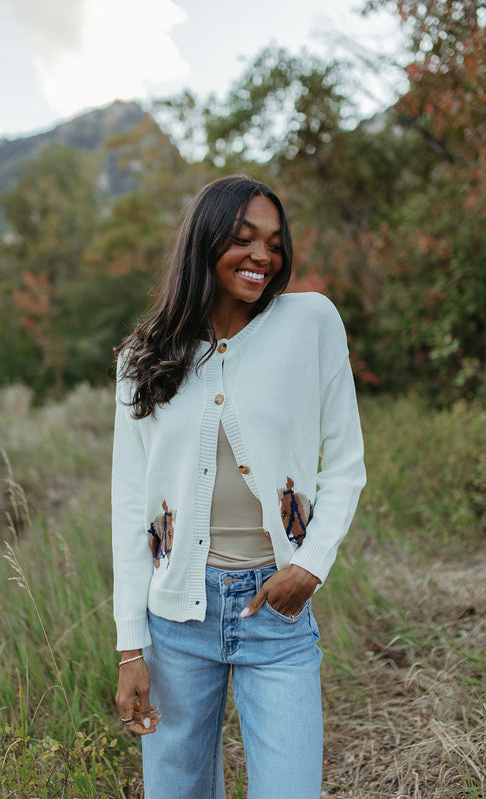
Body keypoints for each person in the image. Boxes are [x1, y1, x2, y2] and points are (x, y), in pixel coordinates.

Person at [112, 175, 366, 799]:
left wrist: (309, 563)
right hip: (176, 619)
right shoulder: (143, 359)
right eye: (244, 238)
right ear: (203, 241)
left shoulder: (309, 322)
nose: (263, 256)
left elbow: (347, 463)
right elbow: (128, 508)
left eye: (274, 243)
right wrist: (129, 647)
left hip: (275, 611)